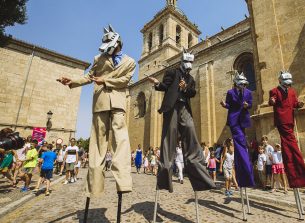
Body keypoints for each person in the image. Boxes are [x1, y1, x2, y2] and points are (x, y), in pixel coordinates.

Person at [59, 24, 135, 198]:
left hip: (118, 104)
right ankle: (94, 188)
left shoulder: (130, 62)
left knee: (121, 141)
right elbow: (88, 76)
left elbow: (125, 80)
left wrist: (105, 81)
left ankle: (123, 182)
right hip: (100, 103)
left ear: (117, 44)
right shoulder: (98, 58)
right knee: (97, 145)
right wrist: (72, 80)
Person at [148, 49, 215, 193]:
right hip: (172, 107)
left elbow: (193, 93)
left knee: (190, 129)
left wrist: (185, 89)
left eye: (191, 62)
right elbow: (165, 86)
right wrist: (157, 84)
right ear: (182, 61)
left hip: (184, 107)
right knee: (169, 136)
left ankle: (198, 170)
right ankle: (165, 174)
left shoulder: (191, 79)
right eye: (187, 61)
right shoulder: (172, 72)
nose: (189, 64)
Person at [269, 70, 305, 188]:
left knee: (290, 144)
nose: (288, 84)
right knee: (290, 143)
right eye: (285, 82)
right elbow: (272, 100)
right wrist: (272, 101)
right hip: (282, 120)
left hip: (291, 119)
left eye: (289, 82)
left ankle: (296, 173)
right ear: (280, 81)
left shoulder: (292, 91)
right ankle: (295, 171)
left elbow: (295, 103)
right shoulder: (274, 91)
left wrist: (299, 104)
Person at [220, 72, 255, 189]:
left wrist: (247, 106)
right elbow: (229, 105)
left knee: (242, 142)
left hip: (244, 120)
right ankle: (245, 166)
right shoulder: (230, 92)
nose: (243, 86)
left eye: (244, 84)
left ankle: (245, 166)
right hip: (234, 120)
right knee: (239, 140)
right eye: (241, 84)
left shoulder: (249, 93)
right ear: (236, 84)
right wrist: (224, 105)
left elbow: (250, 104)